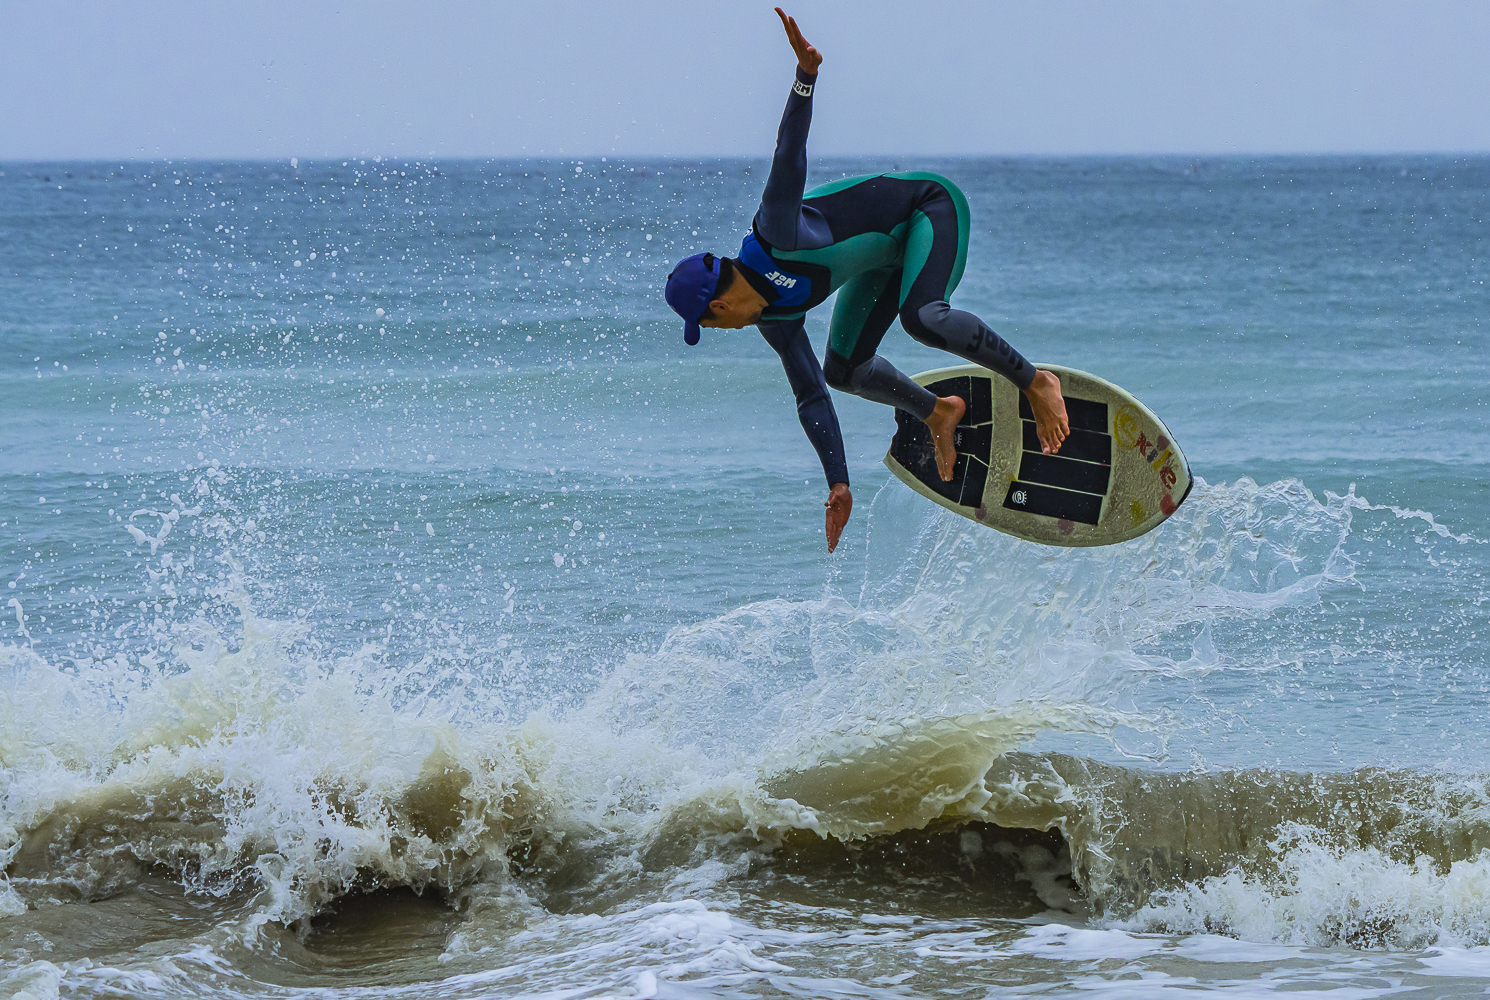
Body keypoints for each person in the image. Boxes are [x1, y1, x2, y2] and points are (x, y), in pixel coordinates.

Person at [665, 8, 1069, 552]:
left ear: (714, 308)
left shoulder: (774, 233)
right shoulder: (775, 319)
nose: (719, 332)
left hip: (928, 208)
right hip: (884, 262)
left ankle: (1035, 382)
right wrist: (839, 482)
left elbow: (788, 155)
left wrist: (805, 77)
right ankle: (938, 411)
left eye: (708, 326)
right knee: (841, 369)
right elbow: (810, 394)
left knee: (924, 316)